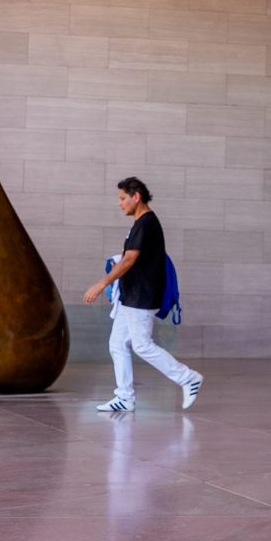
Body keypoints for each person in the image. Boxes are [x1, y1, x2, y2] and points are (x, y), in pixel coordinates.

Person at [84, 177, 203, 412]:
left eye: (122, 198)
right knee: (117, 344)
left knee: (142, 345)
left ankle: (188, 378)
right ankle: (125, 397)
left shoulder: (147, 223)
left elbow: (130, 259)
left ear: (136, 196)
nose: (119, 203)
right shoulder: (140, 223)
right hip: (131, 296)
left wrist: (101, 284)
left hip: (142, 297)